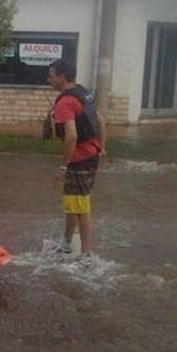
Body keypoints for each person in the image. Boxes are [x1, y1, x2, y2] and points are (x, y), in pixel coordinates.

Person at [46, 59, 106, 266]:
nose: (49, 79)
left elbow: (71, 137)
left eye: (52, 75)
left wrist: (63, 166)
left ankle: (86, 256)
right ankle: (66, 242)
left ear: (62, 76)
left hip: (79, 160)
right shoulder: (83, 92)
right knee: (72, 202)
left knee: (81, 207)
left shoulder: (65, 103)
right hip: (91, 155)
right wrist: (102, 147)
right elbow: (100, 121)